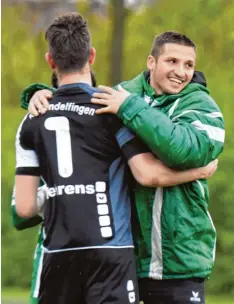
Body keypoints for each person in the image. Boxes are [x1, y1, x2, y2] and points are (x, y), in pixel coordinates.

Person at [14, 15, 218, 304]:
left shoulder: (32, 118)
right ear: (92, 56)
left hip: (59, 252)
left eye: (187, 65)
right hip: (112, 253)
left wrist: (67, 192)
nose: (180, 71)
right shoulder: (113, 109)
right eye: (171, 61)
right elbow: (147, 175)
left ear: (50, 61)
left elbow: (23, 209)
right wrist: (199, 172)